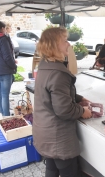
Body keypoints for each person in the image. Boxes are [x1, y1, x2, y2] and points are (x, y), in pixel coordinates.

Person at [33, 27, 92, 177]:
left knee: (52, 168)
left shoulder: (44, 65)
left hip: (44, 131)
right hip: (58, 137)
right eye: (65, 41)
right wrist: (83, 111)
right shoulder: (58, 73)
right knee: (69, 172)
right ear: (53, 46)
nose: (68, 45)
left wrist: (79, 99)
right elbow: (64, 110)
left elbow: (53, 92)